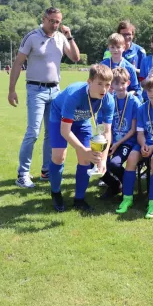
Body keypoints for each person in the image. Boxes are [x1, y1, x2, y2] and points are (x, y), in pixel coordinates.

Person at [9, 7, 81, 189]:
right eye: (52, 21)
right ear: (44, 18)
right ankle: (22, 174)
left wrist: (69, 36)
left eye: (58, 21)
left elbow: (76, 58)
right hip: (36, 90)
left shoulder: (60, 37)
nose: (55, 25)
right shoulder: (32, 37)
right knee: (33, 132)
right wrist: (12, 90)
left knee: (52, 133)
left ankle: (46, 171)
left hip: (55, 91)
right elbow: (18, 63)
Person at [47, 64, 115, 212]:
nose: (104, 89)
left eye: (108, 85)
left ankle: (79, 199)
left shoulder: (109, 100)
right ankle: (56, 192)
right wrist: (83, 149)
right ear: (89, 82)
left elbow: (107, 132)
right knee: (59, 156)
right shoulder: (74, 95)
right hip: (59, 118)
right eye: (99, 84)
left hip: (83, 121)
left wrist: (103, 159)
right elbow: (65, 131)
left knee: (85, 159)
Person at [116, 77, 153, 218]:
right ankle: (127, 199)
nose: (152, 93)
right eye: (149, 90)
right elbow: (140, 133)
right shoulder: (142, 108)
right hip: (145, 143)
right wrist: (143, 144)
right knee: (131, 158)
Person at [99, 67, 142, 200]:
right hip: (110, 140)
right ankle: (114, 185)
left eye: (122, 83)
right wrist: (108, 142)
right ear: (111, 84)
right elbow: (105, 125)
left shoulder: (134, 102)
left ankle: (127, 183)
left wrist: (117, 144)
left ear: (128, 83)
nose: (119, 87)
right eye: (116, 83)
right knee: (95, 162)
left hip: (127, 142)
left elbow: (133, 129)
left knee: (114, 164)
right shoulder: (108, 100)